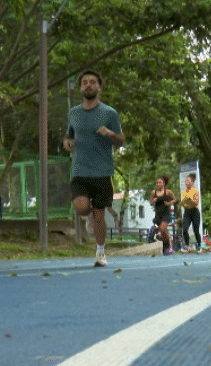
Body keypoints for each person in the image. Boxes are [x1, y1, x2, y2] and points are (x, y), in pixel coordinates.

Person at [63, 69, 125, 267]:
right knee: (81, 207)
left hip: (102, 172)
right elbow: (69, 136)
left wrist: (109, 133)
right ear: (81, 87)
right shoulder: (73, 113)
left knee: (100, 215)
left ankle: (100, 253)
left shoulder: (109, 113)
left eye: (92, 82)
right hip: (79, 170)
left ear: (99, 87)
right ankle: (90, 211)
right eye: (84, 82)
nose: (88, 85)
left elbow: (121, 141)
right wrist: (67, 144)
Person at [150, 175, 176, 255]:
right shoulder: (153, 192)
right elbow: (151, 203)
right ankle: (166, 246)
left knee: (163, 229)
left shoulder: (167, 192)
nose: (158, 184)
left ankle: (169, 246)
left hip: (166, 213)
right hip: (158, 214)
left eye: (160, 182)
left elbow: (174, 199)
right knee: (163, 232)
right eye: (157, 182)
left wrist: (169, 203)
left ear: (164, 183)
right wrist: (153, 201)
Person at [180, 173, 202, 252]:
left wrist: (190, 200)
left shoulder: (195, 191)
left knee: (196, 230)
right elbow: (182, 203)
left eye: (188, 181)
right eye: (186, 180)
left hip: (195, 212)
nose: (186, 182)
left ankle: (200, 246)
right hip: (187, 212)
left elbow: (196, 203)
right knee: (184, 229)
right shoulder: (183, 192)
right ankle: (187, 245)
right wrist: (183, 203)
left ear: (192, 182)